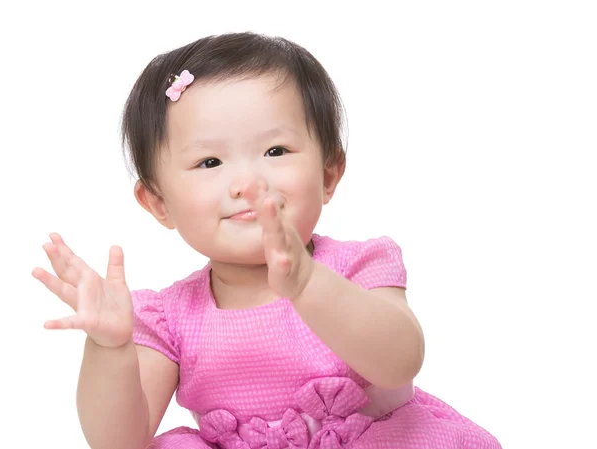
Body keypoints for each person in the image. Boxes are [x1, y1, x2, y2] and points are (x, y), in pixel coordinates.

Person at [33, 32, 501, 449]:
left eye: (275, 151)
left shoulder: (359, 267)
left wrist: (307, 284)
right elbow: (120, 442)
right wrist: (109, 349)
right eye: (209, 162)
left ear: (329, 174)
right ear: (158, 202)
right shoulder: (170, 317)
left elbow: (400, 361)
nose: (245, 181)